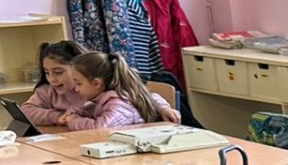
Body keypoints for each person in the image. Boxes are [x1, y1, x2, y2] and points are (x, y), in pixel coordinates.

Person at [21, 49, 178, 132]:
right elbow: (91, 111)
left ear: (96, 83)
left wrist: (72, 120)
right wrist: (76, 113)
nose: (76, 88)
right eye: (47, 72)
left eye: (78, 84)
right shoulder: (102, 99)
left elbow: (101, 128)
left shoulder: (117, 102)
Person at [15, 40, 88, 128]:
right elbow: (25, 112)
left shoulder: (95, 91)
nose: (51, 79)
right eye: (47, 73)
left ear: (81, 69)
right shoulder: (48, 91)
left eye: (58, 72)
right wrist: (57, 117)